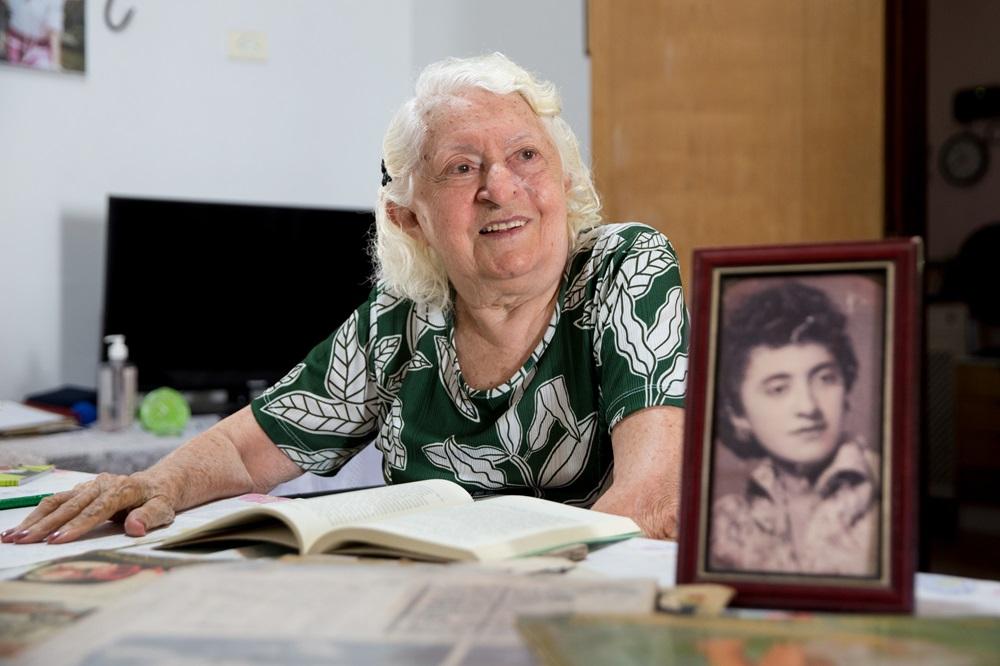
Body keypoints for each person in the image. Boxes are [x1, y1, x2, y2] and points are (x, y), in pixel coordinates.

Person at [2, 52, 689, 546]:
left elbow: (649, 500)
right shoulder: (402, 318)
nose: (499, 187)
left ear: (562, 177)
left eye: (526, 156)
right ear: (409, 218)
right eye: (461, 167)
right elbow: (249, 449)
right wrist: (161, 483)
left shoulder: (624, 267)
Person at [709, 280, 879, 575]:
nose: (808, 407)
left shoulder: (887, 491)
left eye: (825, 379)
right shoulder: (728, 522)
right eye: (778, 389)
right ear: (738, 413)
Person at [1, 0, 65, 70]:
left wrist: (55, 64)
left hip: (39, 48)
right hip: (14, 42)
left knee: (41, 72)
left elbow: (54, 33)